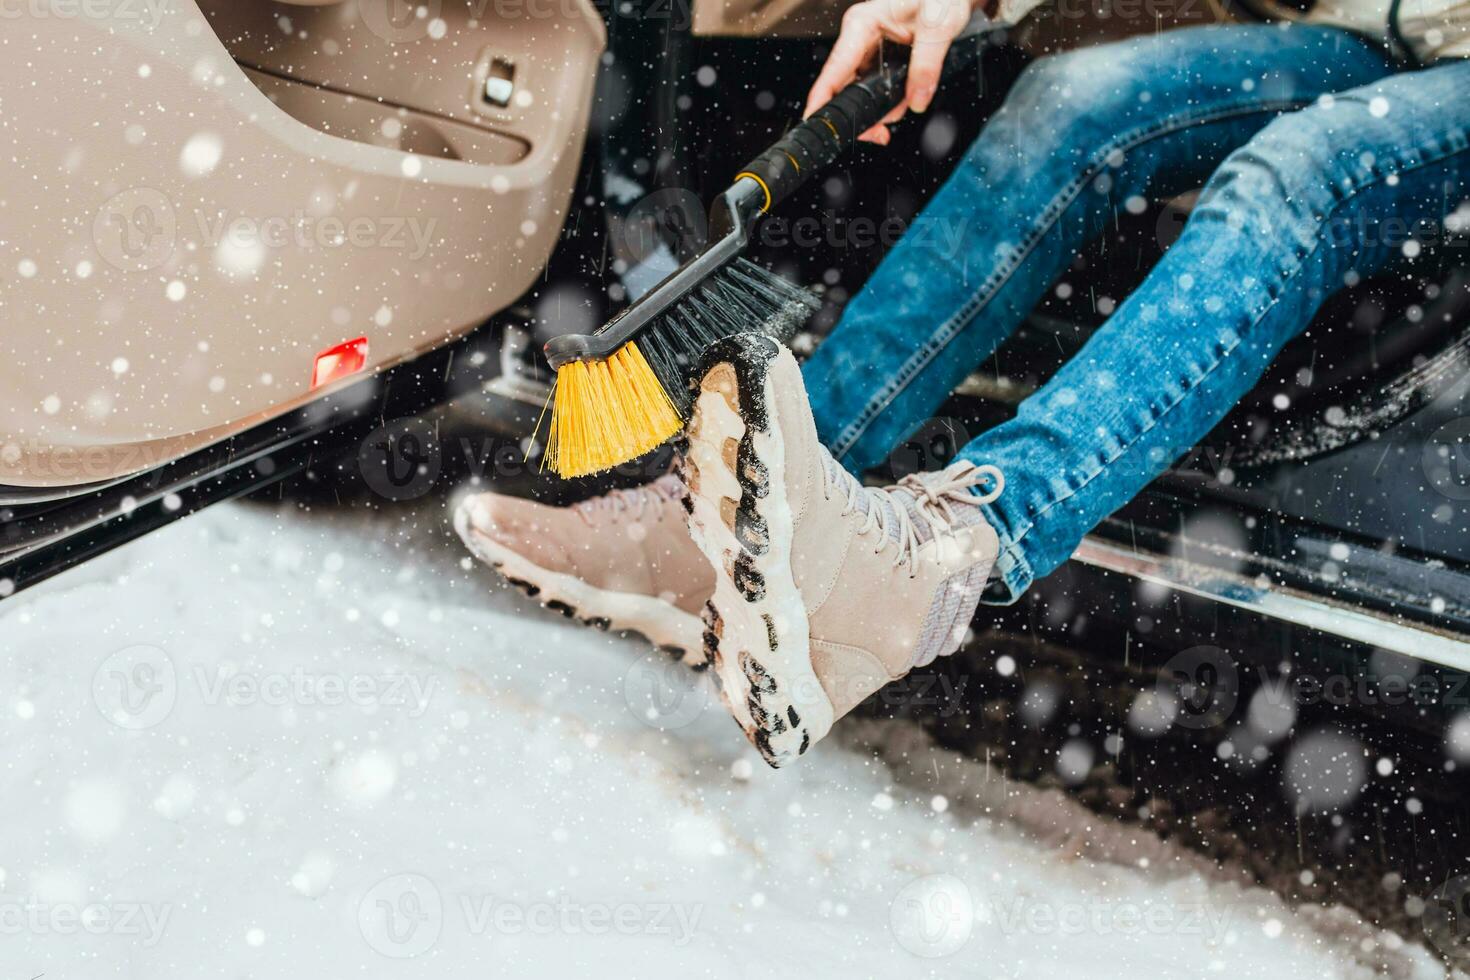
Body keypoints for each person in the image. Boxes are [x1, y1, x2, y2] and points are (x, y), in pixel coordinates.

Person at [456, 0, 1469, 767]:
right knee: (1070, 100)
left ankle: (930, 567)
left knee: (1297, 174)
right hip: (1375, 25)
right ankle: (724, 520)